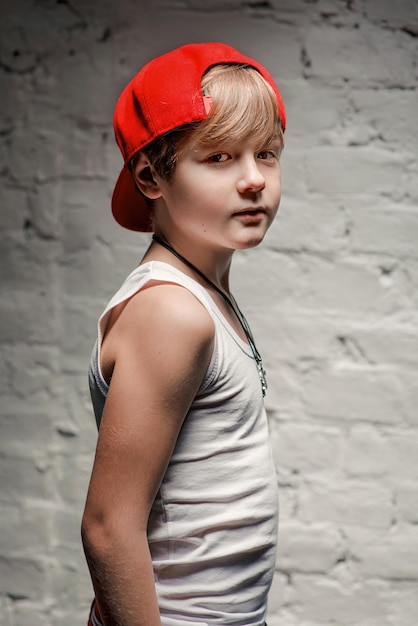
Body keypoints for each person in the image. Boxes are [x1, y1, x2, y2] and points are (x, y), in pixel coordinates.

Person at [81, 42, 286, 626]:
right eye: (219, 157)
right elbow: (107, 527)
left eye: (266, 153)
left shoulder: (200, 295)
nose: (253, 180)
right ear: (151, 174)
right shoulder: (172, 311)